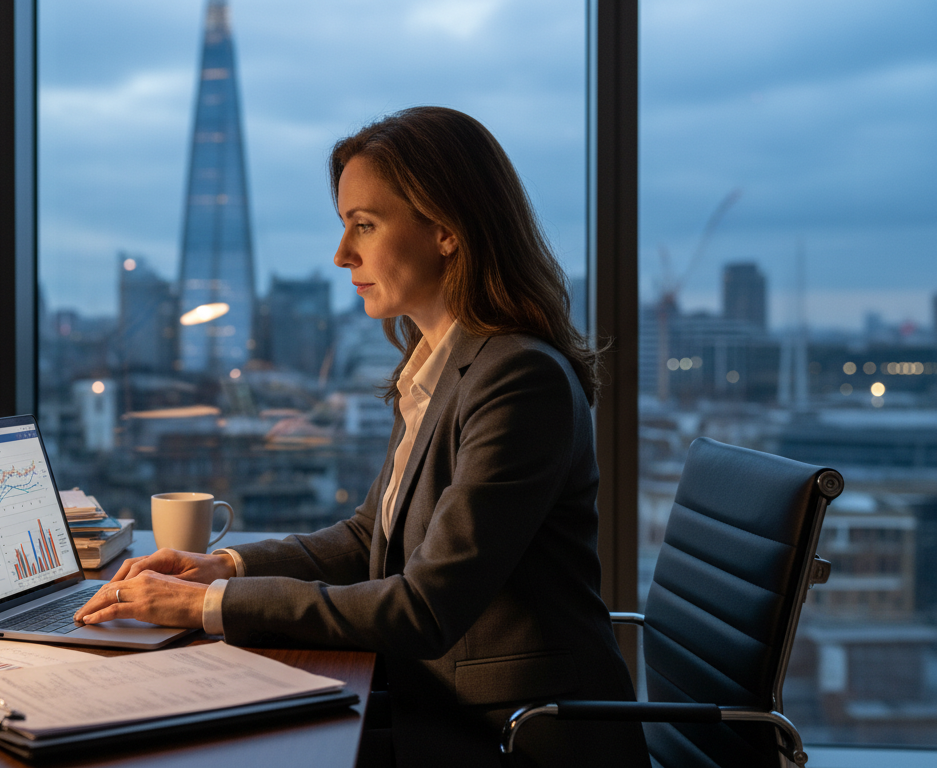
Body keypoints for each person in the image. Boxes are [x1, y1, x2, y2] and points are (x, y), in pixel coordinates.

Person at [73, 106, 648, 766]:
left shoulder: (519, 379)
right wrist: (226, 566)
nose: (343, 254)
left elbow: (423, 609)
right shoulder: (437, 367)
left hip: (515, 735)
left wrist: (208, 604)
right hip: (436, 701)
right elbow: (366, 537)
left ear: (446, 230)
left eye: (364, 225)